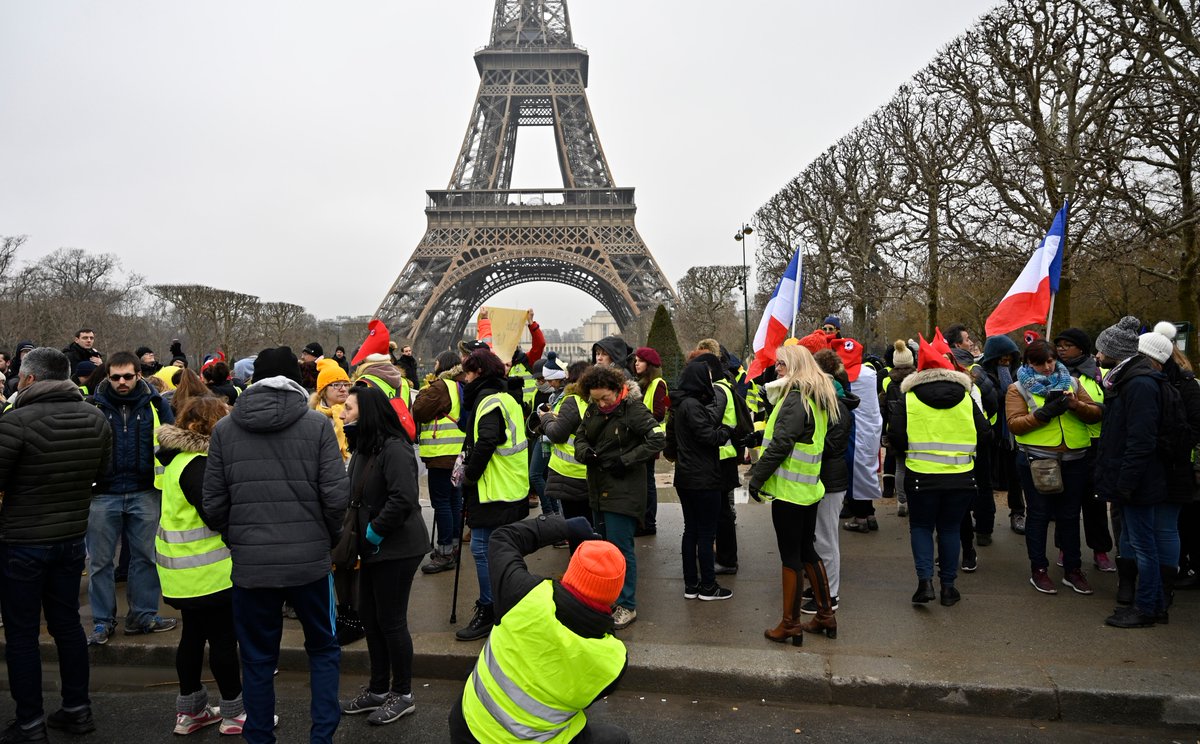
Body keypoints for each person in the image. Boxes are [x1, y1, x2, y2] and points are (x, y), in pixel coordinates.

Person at [202, 346, 349, 744]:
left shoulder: (224, 430)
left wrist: (240, 538)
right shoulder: (318, 426)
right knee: (323, 648)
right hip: (309, 562)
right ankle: (321, 737)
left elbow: (213, 504)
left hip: (252, 564)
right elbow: (337, 498)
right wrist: (324, 540)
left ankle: (260, 737)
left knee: (257, 658)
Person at [0, 348, 111, 742]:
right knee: (67, 626)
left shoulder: (16, 422)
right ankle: (77, 709)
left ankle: (30, 722)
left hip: (22, 541)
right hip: (70, 539)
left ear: (28, 379)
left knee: (23, 634)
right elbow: (103, 472)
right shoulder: (96, 417)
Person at [448, 517, 629, 743]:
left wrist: (564, 527)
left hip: (471, 728)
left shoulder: (523, 595)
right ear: (615, 594)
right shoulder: (614, 660)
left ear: (571, 572)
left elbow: (503, 538)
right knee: (616, 738)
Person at [154, 396, 244, 736]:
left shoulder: (177, 460)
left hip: (181, 572)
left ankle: (191, 712)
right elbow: (215, 514)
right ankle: (235, 713)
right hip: (210, 572)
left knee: (192, 636)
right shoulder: (200, 465)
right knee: (223, 640)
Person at [338, 386, 428, 727]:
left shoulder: (395, 449)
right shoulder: (363, 447)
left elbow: (403, 498)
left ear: (368, 412)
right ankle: (378, 689)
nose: (343, 413)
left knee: (390, 620)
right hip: (373, 547)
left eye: (348, 408)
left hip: (397, 548)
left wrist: (375, 530)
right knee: (370, 617)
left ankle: (402, 694)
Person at [749, 344, 840, 644]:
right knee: (806, 552)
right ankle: (826, 614)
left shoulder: (795, 398)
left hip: (789, 493)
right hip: (808, 490)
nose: (776, 369)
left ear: (796, 366)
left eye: (781, 365)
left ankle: (790, 623)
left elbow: (780, 444)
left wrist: (756, 478)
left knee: (791, 557)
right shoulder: (818, 397)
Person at [891, 336, 990, 606]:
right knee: (949, 529)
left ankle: (925, 584)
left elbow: (896, 437)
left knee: (921, 527)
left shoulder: (908, 398)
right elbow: (985, 434)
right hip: (961, 477)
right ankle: (948, 587)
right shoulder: (966, 398)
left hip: (921, 475)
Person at [87, 351, 177, 645]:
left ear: (139, 374)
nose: (121, 382)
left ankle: (143, 616)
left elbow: (171, 442)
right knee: (100, 562)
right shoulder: (94, 406)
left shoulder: (156, 404)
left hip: (145, 490)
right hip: (103, 492)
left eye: (128, 376)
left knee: (145, 558)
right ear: (108, 377)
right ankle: (102, 621)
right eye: (115, 377)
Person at [1007, 340, 1103, 596]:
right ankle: (1038, 569)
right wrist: (1044, 413)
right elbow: (1015, 424)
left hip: (1075, 457)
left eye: (1050, 361)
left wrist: (1075, 405)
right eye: (1040, 363)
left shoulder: (1071, 382)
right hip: (1038, 459)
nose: (1047, 367)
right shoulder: (1017, 389)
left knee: (1070, 516)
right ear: (1029, 364)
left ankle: (1073, 570)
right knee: (1038, 515)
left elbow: (1095, 413)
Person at [574, 365, 665, 630]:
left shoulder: (633, 410)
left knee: (621, 550)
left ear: (618, 390)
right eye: (596, 399)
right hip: (598, 488)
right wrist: (585, 453)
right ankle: (610, 599)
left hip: (623, 490)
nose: (601, 404)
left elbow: (657, 439)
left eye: (605, 398)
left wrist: (625, 461)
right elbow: (580, 436)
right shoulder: (594, 409)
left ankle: (627, 605)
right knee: (603, 548)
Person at [455, 348, 531, 642]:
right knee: (504, 551)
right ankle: (509, 604)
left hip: (494, 490)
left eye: (468, 372)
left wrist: (470, 474)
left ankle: (491, 608)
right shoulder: (504, 397)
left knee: (483, 549)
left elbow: (487, 439)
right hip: (509, 487)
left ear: (479, 373)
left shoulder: (489, 402)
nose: (465, 377)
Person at [668, 355, 734, 600]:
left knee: (691, 532)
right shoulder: (693, 406)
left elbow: (671, 443)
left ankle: (691, 585)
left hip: (686, 477)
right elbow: (708, 437)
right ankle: (708, 585)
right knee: (705, 534)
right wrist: (726, 431)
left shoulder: (679, 405)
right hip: (703, 478)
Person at [1053, 328, 1115, 572]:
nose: (1061, 349)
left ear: (1081, 347)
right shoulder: (1053, 373)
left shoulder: (1102, 373)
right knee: (1066, 502)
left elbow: (1110, 403)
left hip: (1096, 446)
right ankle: (1064, 548)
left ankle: (1100, 551)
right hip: (1066, 445)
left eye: (1067, 345)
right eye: (1059, 344)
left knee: (1095, 502)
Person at [808, 349, 859, 616]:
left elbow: (831, 445)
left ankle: (830, 593)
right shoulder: (827, 403)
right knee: (817, 538)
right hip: (821, 478)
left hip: (830, 480)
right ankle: (819, 585)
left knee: (826, 539)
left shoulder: (838, 407)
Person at [412, 350, 467, 575]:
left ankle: (444, 553)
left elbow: (419, 410)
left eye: (435, 361)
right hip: (457, 452)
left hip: (441, 455)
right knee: (454, 501)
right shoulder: (459, 386)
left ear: (442, 364)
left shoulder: (441, 386)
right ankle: (452, 548)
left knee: (442, 503)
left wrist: (425, 390)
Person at [536, 360, 593, 551]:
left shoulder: (572, 401)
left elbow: (557, 434)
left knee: (575, 527)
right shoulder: (595, 400)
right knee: (589, 525)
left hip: (569, 474)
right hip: (588, 472)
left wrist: (546, 419)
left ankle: (579, 571)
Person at [979, 335, 1025, 535]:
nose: (1005, 363)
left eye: (1009, 359)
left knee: (1016, 476)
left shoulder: (1021, 374)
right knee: (986, 478)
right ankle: (984, 518)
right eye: (1001, 360)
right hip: (990, 433)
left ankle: (1018, 512)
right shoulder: (981, 375)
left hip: (1013, 433)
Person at [634, 347, 668, 536]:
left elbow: (659, 413)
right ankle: (645, 521)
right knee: (644, 482)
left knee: (647, 483)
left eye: (640, 360)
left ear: (650, 365)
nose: (636, 363)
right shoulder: (646, 384)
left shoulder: (658, 384)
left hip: (649, 440)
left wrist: (637, 421)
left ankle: (648, 523)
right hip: (643, 440)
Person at [882, 340, 917, 518]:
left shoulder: (888, 383)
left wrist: (884, 432)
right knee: (915, 467)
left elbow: (883, 409)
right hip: (915, 429)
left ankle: (901, 501)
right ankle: (914, 500)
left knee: (900, 467)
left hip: (894, 429)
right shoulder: (917, 381)